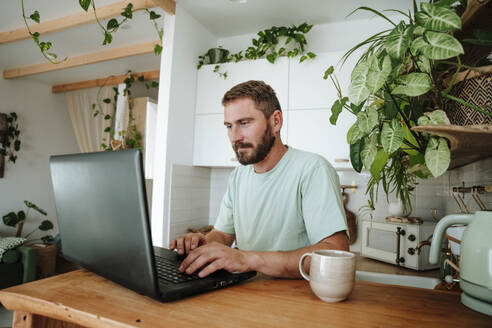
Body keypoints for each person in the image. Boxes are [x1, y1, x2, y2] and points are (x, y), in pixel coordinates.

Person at [169, 80, 349, 278]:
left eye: (244, 123)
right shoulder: (238, 177)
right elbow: (222, 235)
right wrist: (203, 243)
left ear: (276, 121)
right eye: (229, 126)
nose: (234, 136)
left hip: (297, 301)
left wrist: (248, 259)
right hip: (247, 294)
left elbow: (336, 252)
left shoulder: (312, 170)